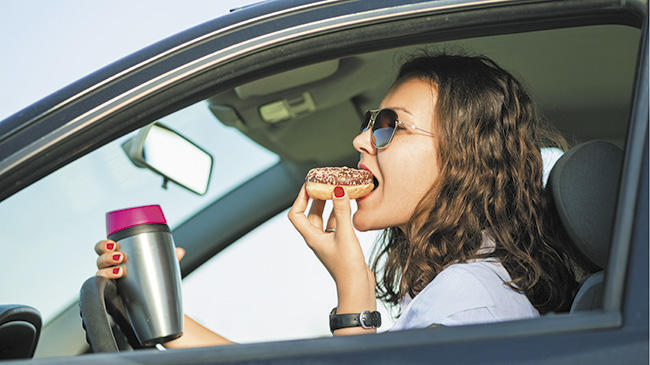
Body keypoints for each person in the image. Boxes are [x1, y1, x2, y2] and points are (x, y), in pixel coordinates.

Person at [94, 53, 578, 345]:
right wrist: (160, 314)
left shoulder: (469, 302)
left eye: (390, 126)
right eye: (371, 122)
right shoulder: (455, 290)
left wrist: (353, 286)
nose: (362, 140)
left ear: (462, 159)